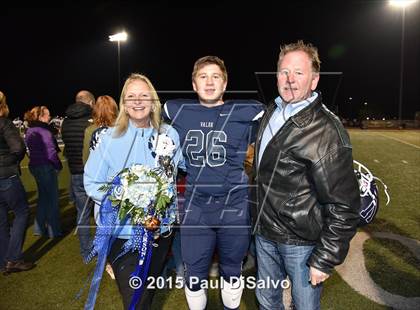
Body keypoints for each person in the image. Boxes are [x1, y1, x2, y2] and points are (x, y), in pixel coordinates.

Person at [252, 41, 360, 310]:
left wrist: (325, 257)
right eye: (283, 72)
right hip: (265, 235)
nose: (289, 80)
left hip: (301, 242)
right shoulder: (272, 111)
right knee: (267, 302)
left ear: (314, 80)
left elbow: (344, 204)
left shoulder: (326, 130)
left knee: (305, 307)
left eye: (299, 73)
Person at [163, 56, 264, 310]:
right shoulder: (176, 111)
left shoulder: (246, 112)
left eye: (216, 76)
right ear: (194, 84)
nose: (209, 82)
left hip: (235, 207)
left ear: (225, 83)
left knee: (232, 272)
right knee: (194, 277)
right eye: (203, 76)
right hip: (197, 208)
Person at [84, 74, 183, 309]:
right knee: (135, 299)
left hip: (159, 233)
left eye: (143, 96)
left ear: (153, 101)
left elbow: (173, 176)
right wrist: (126, 198)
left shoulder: (170, 135)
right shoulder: (107, 138)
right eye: (131, 97)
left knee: (145, 295)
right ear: (124, 104)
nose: (138, 101)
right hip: (122, 233)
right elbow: (92, 183)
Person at [0, 91, 35, 273]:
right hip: (6, 176)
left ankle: (5, 259)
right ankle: (13, 259)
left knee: (2, 220)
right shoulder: (4, 123)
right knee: (22, 212)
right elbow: (18, 147)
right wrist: (11, 162)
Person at [61, 90, 94, 260]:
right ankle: (104, 247)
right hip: (91, 173)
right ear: (90, 103)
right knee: (102, 211)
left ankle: (86, 251)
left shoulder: (65, 122)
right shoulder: (90, 122)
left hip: (75, 173)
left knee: (82, 214)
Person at [24, 106, 62, 238]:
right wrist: (58, 165)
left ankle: (39, 228)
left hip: (35, 166)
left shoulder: (29, 130)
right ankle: (54, 230)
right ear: (40, 117)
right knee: (52, 199)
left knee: (43, 198)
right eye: (47, 115)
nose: (49, 117)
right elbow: (51, 152)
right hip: (45, 166)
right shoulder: (43, 131)